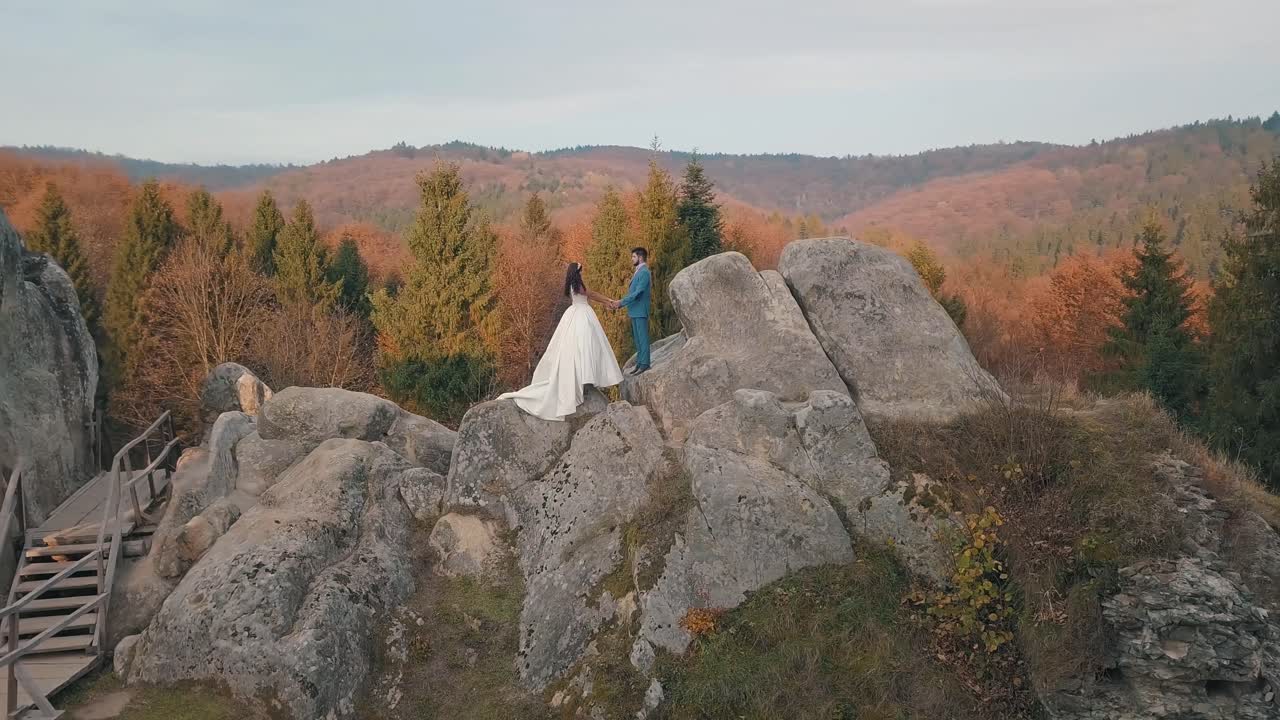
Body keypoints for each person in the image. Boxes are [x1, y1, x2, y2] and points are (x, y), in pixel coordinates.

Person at [498, 262, 623, 421]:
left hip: (575, 313)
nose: (582, 273)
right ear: (577, 272)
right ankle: (584, 378)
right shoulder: (577, 284)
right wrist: (608, 300)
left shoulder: (572, 284)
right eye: (581, 271)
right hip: (581, 315)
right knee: (585, 347)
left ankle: (585, 378)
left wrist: (607, 301)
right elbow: (591, 294)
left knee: (581, 347)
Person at [611, 247, 651, 375]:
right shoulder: (638, 271)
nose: (631, 259)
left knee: (642, 338)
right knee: (638, 339)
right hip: (634, 310)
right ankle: (640, 363)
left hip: (640, 310)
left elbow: (638, 293)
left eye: (633, 257)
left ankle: (645, 363)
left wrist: (621, 302)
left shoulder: (644, 272)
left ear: (640, 257)